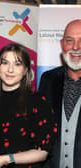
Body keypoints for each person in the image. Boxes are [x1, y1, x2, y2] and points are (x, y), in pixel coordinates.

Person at [0, 43, 57, 168]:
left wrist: (6, 159)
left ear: (25, 70)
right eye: (5, 62)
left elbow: (42, 152)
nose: (10, 69)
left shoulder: (38, 102)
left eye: (17, 64)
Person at [38, 19, 81, 168]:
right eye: (70, 41)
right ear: (62, 45)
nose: (76, 47)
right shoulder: (48, 79)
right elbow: (39, 129)